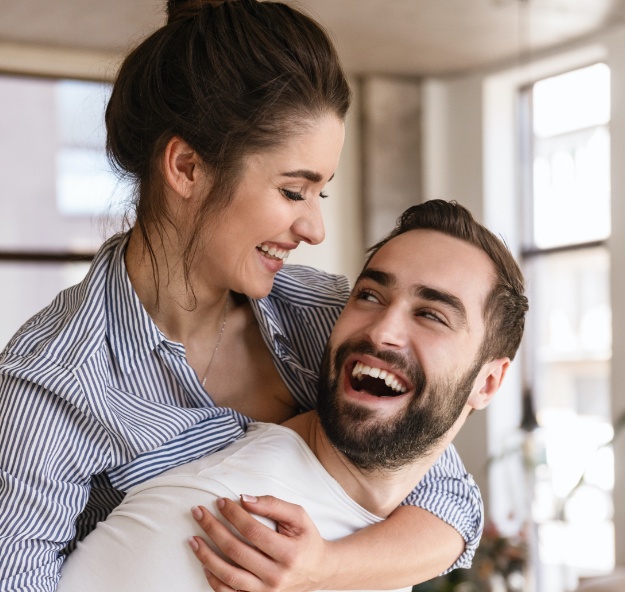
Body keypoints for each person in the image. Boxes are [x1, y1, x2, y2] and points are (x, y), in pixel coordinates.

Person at [0, 0, 480, 589]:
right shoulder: (53, 382)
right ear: (187, 167)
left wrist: (322, 570)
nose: (314, 229)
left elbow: (451, 503)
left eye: (320, 195)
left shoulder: (329, 318)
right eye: (291, 191)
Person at [56, 200, 529, 592]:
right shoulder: (231, 524)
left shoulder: (370, 541)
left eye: (431, 315)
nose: (384, 330)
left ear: (487, 383)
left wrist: (328, 568)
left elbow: (454, 499)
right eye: (369, 296)